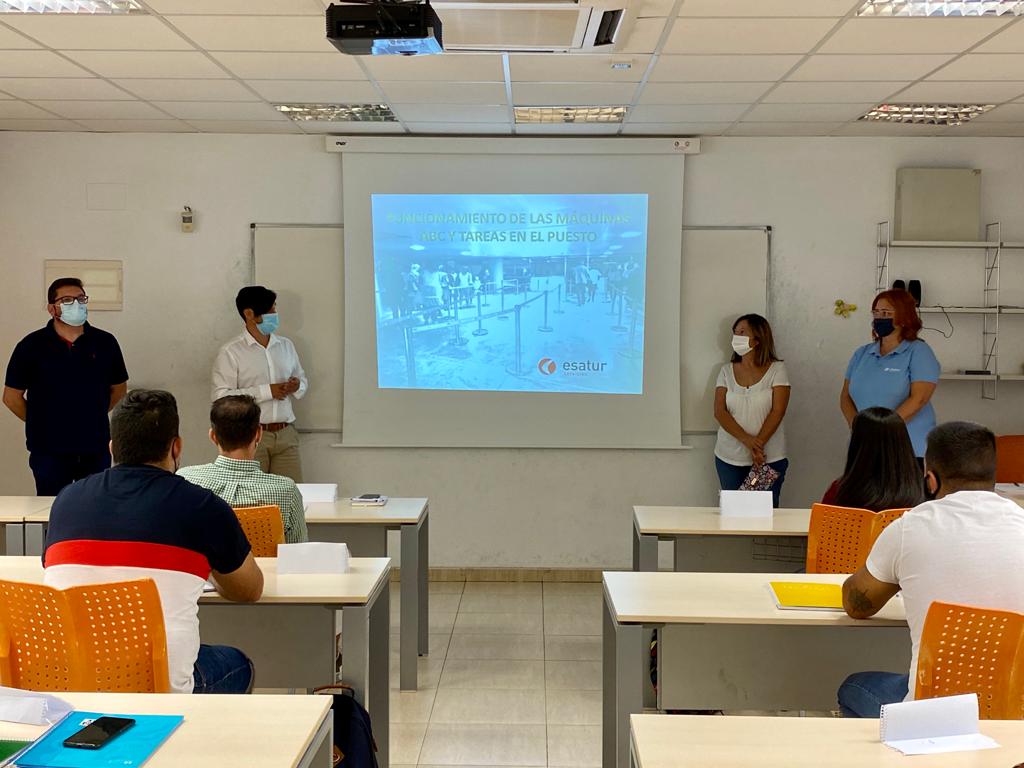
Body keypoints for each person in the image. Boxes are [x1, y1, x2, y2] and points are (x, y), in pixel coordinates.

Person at [42, 389, 264, 694]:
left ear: (112, 448)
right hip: (159, 688)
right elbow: (249, 590)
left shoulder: (66, 501)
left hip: (72, 682)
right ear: (176, 447)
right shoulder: (201, 506)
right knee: (237, 662)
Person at [838, 421, 1024, 717]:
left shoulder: (908, 528)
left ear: (931, 480)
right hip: (1014, 714)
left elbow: (856, 604)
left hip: (933, 715)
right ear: (993, 476)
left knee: (853, 687)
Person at [3, 277, 128, 495]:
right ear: (52, 308)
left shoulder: (105, 342)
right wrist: (40, 421)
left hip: (94, 445)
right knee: (52, 508)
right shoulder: (31, 346)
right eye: (67, 300)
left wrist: (91, 413)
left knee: (94, 507)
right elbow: (11, 397)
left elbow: (118, 389)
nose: (77, 305)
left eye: (81, 299)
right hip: (49, 448)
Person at [178, 395, 308, 544]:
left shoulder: (185, 480)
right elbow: (297, 551)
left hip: (205, 567)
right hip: (263, 567)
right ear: (258, 434)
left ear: (213, 436)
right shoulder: (287, 490)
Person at [212, 286, 307, 483]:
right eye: (270, 310)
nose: (275, 315)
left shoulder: (285, 346)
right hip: (250, 436)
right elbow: (221, 397)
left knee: (293, 494)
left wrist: (296, 386)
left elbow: (302, 379)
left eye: (275, 309)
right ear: (249, 314)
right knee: (253, 498)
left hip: (286, 433)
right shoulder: (231, 351)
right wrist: (267, 391)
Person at [841, 289, 939, 461]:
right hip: (864, 449)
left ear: (904, 317)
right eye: (876, 313)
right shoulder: (862, 353)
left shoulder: (919, 351)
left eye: (886, 313)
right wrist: (858, 428)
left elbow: (919, 400)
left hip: (906, 450)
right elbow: (845, 396)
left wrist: (882, 431)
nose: (879, 318)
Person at [713, 314, 791, 507]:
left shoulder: (777, 369)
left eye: (742, 332)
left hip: (766, 459)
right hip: (729, 458)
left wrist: (758, 446)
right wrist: (749, 442)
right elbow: (720, 411)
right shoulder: (726, 371)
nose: (736, 337)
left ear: (757, 338)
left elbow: (778, 410)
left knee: (762, 515)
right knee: (734, 514)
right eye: (734, 333)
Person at [821, 407, 924, 511]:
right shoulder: (922, 493)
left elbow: (822, 524)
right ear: (903, 444)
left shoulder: (838, 492)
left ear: (857, 445)